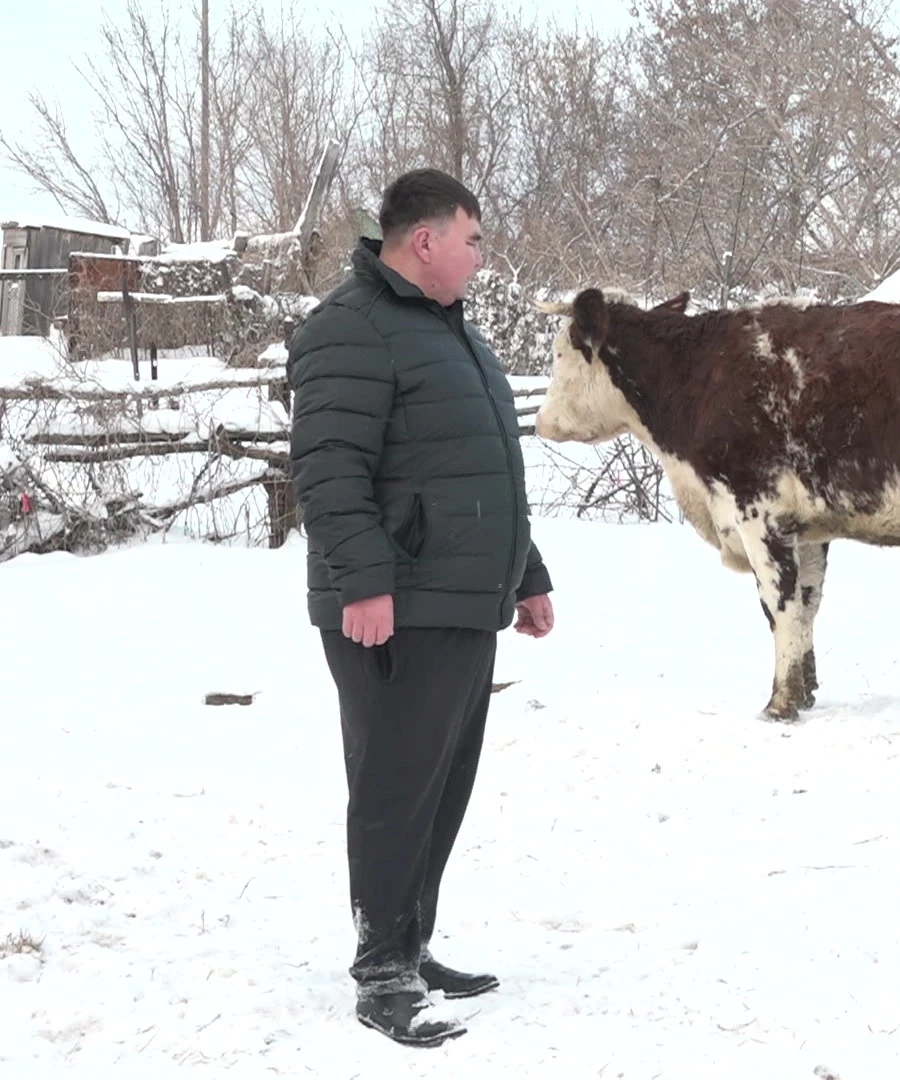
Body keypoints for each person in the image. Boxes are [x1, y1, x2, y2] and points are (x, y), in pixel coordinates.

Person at [288, 167, 556, 1047]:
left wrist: (525, 572)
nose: (483, 259)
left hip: (459, 600)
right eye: (474, 240)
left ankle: (412, 941)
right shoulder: (351, 329)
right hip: (393, 605)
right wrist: (362, 581)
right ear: (427, 240)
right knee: (395, 787)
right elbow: (328, 470)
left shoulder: (454, 335)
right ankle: (381, 970)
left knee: (441, 787)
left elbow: (485, 471)